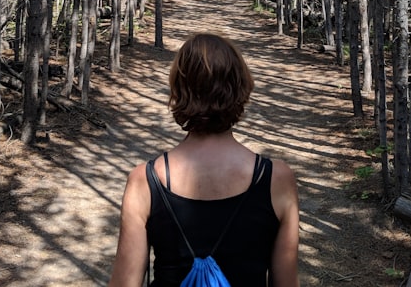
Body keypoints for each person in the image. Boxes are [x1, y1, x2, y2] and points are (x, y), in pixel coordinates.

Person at [108, 32, 300, 287]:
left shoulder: (146, 179)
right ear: (241, 88)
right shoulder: (276, 178)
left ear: (179, 89)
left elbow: (125, 283)